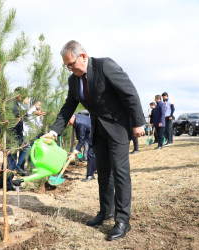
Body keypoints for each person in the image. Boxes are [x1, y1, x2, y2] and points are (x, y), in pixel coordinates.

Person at [42, 40, 145, 241]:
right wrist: (54, 132)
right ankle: (106, 211)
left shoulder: (104, 65)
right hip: (98, 131)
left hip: (118, 127)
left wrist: (138, 122)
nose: (69, 69)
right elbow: (67, 108)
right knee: (104, 173)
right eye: (66, 66)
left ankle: (123, 220)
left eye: (71, 64)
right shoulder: (74, 81)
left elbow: (129, 92)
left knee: (120, 172)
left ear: (83, 56)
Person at [68, 114, 96, 181]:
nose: (68, 123)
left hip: (95, 134)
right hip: (92, 132)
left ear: (73, 116)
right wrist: (78, 148)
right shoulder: (77, 119)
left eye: (68, 121)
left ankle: (90, 175)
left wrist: (74, 153)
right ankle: (95, 170)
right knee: (93, 154)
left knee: (91, 154)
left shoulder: (80, 123)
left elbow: (81, 140)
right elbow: (79, 137)